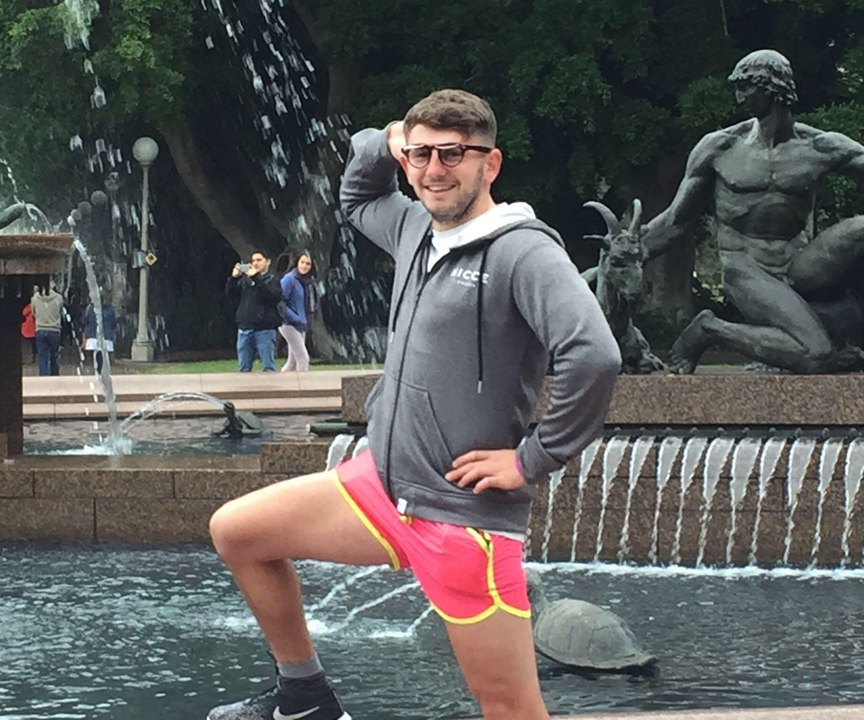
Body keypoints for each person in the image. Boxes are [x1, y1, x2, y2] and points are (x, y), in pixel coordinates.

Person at [205, 89, 620, 720]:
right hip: (381, 485)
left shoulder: (523, 251)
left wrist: (532, 459)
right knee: (238, 531)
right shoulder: (414, 228)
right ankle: (306, 698)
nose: (434, 169)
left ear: (491, 163)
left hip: (462, 517)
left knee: (509, 706)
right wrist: (388, 136)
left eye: (452, 153)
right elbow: (357, 193)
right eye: (421, 154)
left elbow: (594, 354)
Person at [643, 49, 864, 375]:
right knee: (818, 353)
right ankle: (708, 329)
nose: (738, 98)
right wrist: (623, 252)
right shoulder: (719, 148)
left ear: (771, 88)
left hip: (798, 265)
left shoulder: (819, 147)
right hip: (746, 269)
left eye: (746, 87)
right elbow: (675, 221)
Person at [225, 250, 283, 372]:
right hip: (244, 328)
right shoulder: (245, 280)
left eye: (259, 260)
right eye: (253, 261)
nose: (255, 263)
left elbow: (273, 297)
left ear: (267, 262)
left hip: (264, 329)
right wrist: (234, 278)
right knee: (244, 368)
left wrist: (256, 278)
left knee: (268, 367)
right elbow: (231, 295)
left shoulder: (272, 280)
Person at [279, 251, 315, 372]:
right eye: (302, 262)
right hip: (288, 323)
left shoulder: (307, 282)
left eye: (308, 264)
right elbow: (279, 302)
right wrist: (294, 318)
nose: (304, 266)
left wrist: (303, 321)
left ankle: (283, 385)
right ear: (296, 263)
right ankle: (302, 388)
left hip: (300, 323)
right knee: (303, 358)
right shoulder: (289, 279)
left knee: (292, 361)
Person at [32, 286, 63, 376]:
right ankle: (54, 373)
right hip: (54, 329)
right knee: (54, 354)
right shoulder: (59, 298)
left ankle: (43, 374)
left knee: (42, 355)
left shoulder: (35, 298)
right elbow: (60, 312)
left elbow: (34, 313)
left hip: (40, 328)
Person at [82, 297, 117, 376]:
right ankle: (101, 370)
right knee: (104, 355)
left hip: (92, 336)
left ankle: (97, 370)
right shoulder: (110, 310)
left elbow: (84, 321)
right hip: (106, 336)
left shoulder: (89, 308)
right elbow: (114, 323)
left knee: (94, 354)